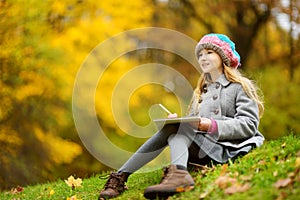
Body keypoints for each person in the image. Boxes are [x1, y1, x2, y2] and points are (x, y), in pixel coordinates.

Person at [98, 33, 264, 199]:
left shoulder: (239, 87)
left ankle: (175, 175)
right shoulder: (200, 93)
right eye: (200, 54)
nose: (203, 58)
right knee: (174, 127)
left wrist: (210, 125)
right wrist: (179, 120)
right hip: (201, 150)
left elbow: (249, 124)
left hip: (227, 149)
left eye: (209, 53)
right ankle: (121, 178)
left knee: (177, 129)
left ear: (223, 57)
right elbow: (191, 128)